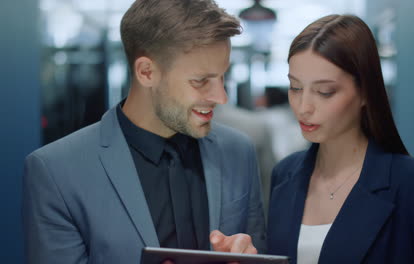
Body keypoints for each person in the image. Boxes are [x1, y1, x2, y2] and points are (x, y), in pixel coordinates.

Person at [22, 1, 266, 263]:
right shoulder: (57, 172)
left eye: (222, 78)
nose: (221, 97)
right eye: (200, 81)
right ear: (146, 72)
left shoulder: (239, 151)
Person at [267, 14, 414, 264]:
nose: (303, 107)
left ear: (364, 93)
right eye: (295, 87)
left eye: (324, 92)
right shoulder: (285, 175)